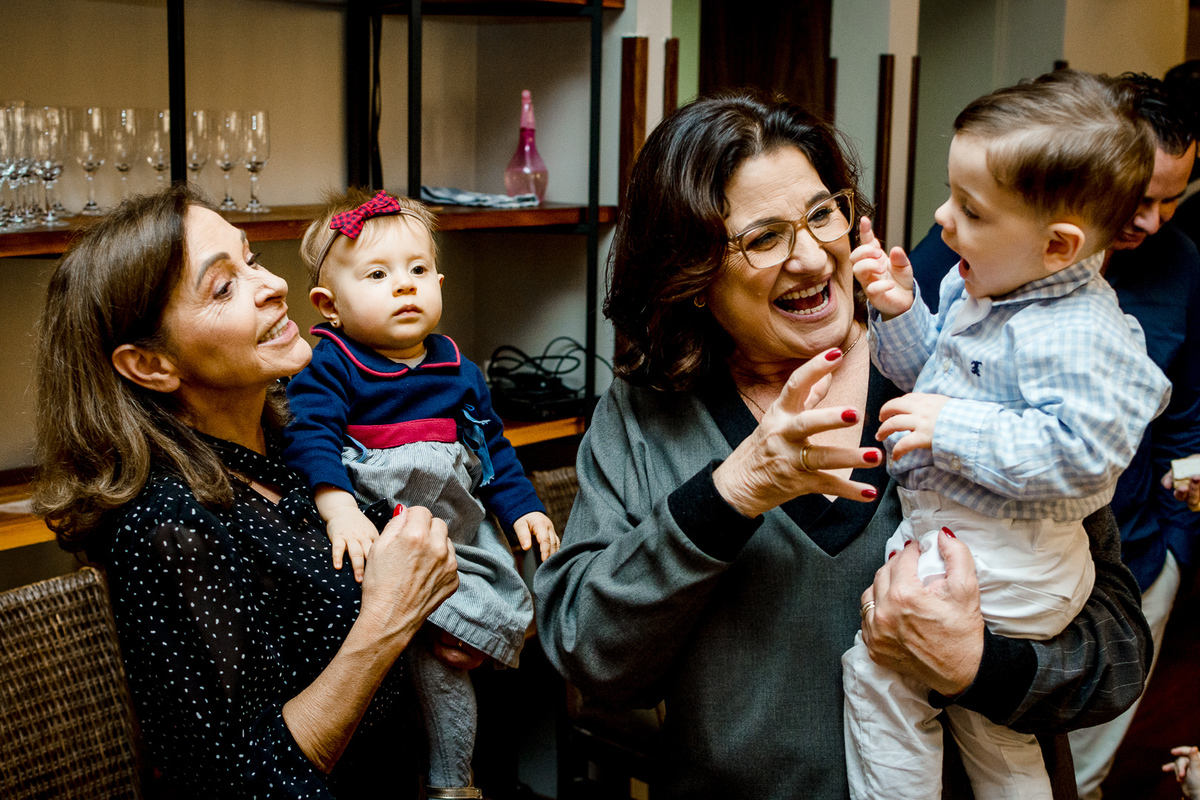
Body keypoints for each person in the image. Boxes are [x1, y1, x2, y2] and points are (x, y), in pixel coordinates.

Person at [533, 91, 1155, 800]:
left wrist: (979, 666)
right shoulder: (646, 416)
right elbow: (590, 652)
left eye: (822, 214)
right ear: (693, 276)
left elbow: (1120, 651)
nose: (810, 257)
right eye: (764, 238)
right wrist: (732, 494)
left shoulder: (971, 374)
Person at [31, 185, 465, 799]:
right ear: (152, 366)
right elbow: (241, 781)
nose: (273, 285)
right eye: (223, 286)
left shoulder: (292, 440)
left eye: (251, 258)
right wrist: (391, 622)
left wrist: (440, 621)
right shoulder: (168, 525)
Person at [844, 69, 1170, 800]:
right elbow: (931, 382)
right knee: (992, 723)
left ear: (1058, 246)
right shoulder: (979, 285)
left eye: (969, 209)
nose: (942, 218)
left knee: (878, 675)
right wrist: (900, 313)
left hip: (1013, 562)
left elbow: (1084, 460)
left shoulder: (1081, 333)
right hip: (972, 543)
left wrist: (953, 428)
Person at [282, 188, 558, 798]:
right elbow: (311, 437)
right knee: (426, 673)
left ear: (438, 279)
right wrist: (338, 505)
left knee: (503, 605)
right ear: (328, 305)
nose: (404, 286)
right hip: (380, 528)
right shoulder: (331, 364)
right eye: (377, 275)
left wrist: (524, 508)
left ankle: (456, 771)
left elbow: (492, 453)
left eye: (416, 271)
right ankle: (448, 781)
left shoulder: (460, 368)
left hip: (456, 531)